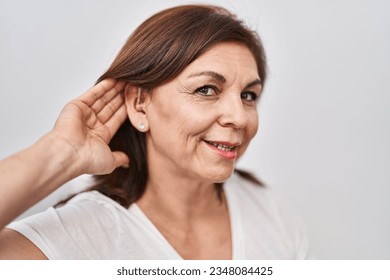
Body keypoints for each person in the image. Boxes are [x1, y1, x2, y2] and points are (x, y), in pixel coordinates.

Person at [0, 4, 310, 259]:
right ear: (139, 104)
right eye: (206, 89)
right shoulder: (77, 238)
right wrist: (61, 152)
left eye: (248, 95)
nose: (239, 118)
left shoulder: (271, 215)